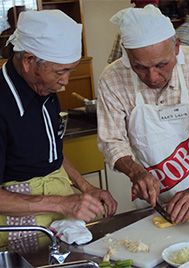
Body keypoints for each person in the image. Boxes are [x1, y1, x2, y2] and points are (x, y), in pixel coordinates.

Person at [97, 4, 189, 225]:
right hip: (153, 202)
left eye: (162, 65)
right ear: (127, 56)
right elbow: (111, 141)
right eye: (140, 67)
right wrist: (135, 172)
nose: (152, 77)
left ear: (177, 47)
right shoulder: (112, 79)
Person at [0, 10, 117, 250]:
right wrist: (61, 204)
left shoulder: (44, 89)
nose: (65, 81)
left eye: (70, 71)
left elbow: (51, 151)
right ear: (28, 60)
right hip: (22, 229)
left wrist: (86, 188)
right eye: (60, 72)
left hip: (58, 220)